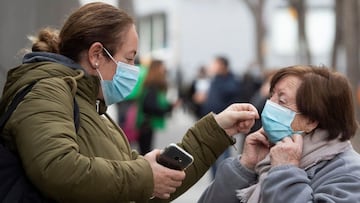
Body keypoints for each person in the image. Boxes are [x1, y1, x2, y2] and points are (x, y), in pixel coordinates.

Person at [0, 2, 259, 202]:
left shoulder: (91, 106)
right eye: (130, 57)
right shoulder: (47, 90)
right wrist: (145, 175)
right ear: (97, 55)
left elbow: (138, 186)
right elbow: (57, 168)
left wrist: (216, 129)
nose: (134, 68)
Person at [198, 65, 360, 203]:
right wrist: (244, 168)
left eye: (281, 101)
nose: (269, 105)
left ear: (311, 121)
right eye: (271, 96)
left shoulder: (350, 175)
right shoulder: (269, 155)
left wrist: (285, 172)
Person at [200, 55, 241, 178]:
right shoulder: (214, 80)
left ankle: (223, 178)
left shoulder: (231, 80)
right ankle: (214, 180)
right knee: (211, 154)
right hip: (212, 122)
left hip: (225, 124)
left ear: (223, 66)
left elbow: (230, 94)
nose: (212, 67)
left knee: (224, 155)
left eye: (215, 64)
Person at [136, 59, 178, 155]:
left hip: (146, 124)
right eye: (162, 68)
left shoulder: (150, 84)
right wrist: (169, 108)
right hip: (146, 125)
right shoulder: (153, 86)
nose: (164, 70)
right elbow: (150, 106)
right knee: (146, 152)